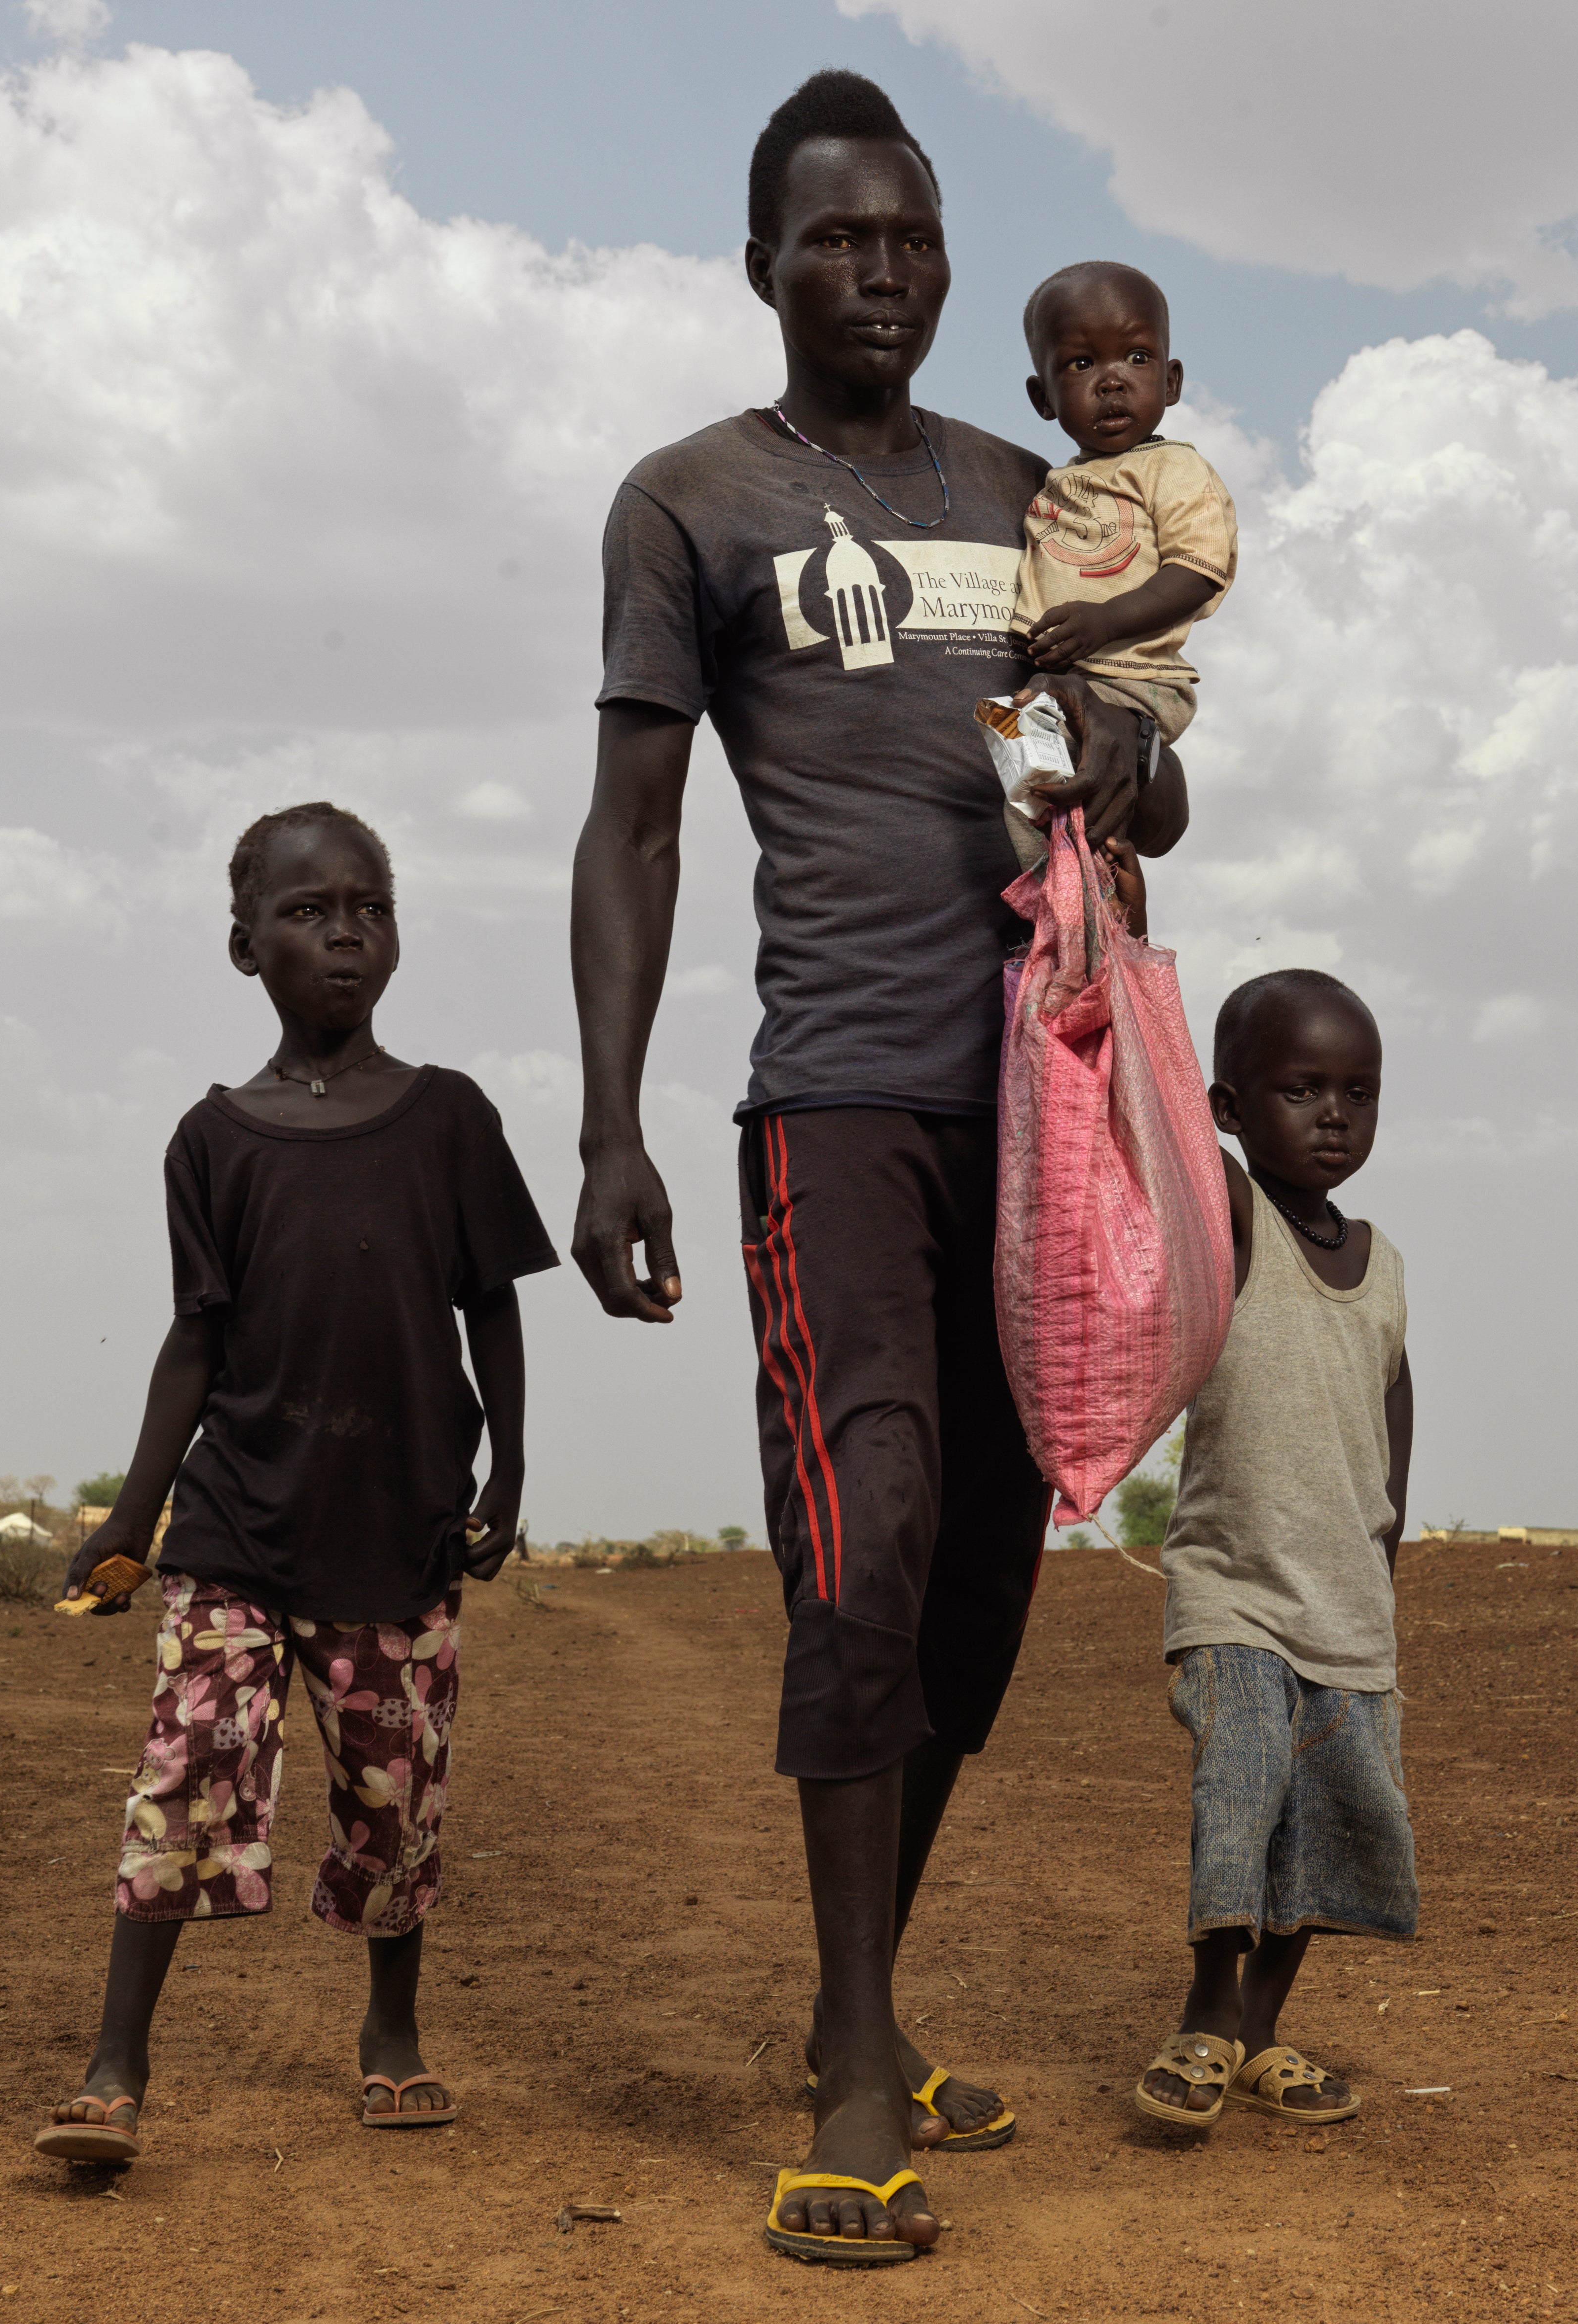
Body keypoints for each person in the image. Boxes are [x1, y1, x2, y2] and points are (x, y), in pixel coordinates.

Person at [569, 70, 1184, 2264]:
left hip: (1033, 1107)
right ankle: (846, 2070)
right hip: (829, 1098)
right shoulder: (691, 505)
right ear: (763, 265)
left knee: (990, 1582)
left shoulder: (1036, 495)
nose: (883, 273)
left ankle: (871, 1989)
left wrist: (1111, 755)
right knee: (877, 1519)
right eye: (837, 240)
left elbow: (1086, 787)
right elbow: (635, 822)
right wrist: (609, 1119)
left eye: (911, 240)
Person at [35, 802, 556, 2165]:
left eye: (369, 906)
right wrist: (131, 1515)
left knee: (396, 1797)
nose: (343, 930)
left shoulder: (448, 1117)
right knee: (184, 1768)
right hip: (239, 1527)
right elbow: (195, 1338)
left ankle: (390, 2037)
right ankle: (113, 2068)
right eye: (308, 910)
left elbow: (488, 1301)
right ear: (241, 943)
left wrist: (509, 1453)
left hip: (401, 1525)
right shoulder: (213, 1139)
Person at [1129, 964, 1417, 2134]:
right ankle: (1205, 2013)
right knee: (1241, 1788)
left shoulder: (1385, 1260)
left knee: (1326, 1819)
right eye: (1302, 1089)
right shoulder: (1232, 1220)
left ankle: (1259, 2033)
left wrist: (1387, 1544)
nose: (1335, 1114)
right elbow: (1160, 1147)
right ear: (1232, 1110)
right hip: (1234, 1588)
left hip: (1345, 1597)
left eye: (1359, 1090)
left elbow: (1394, 1399)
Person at [1000, 260, 1234, 867]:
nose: (1111, 381)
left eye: (1136, 358)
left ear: (1172, 380)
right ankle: (1059, 913)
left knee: (1056, 800)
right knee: (1022, 780)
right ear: (1041, 397)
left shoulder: (1174, 468)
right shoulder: (1055, 484)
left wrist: (1103, 622)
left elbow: (1197, 568)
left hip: (1130, 681)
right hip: (1055, 688)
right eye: (1081, 364)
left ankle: (1064, 926)